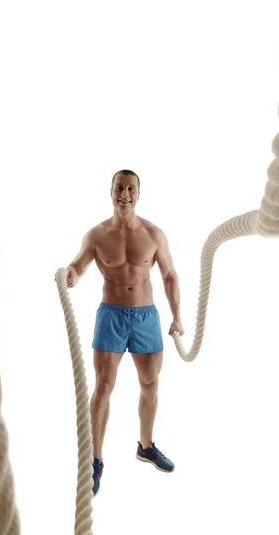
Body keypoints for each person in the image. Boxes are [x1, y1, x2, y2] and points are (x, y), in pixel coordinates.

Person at [65, 169, 185, 496]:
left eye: (131, 189)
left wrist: (177, 317)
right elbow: (79, 264)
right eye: (120, 188)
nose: (125, 194)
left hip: (146, 316)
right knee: (103, 387)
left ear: (138, 194)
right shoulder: (97, 234)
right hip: (111, 315)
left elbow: (170, 276)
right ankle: (95, 460)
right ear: (111, 191)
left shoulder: (154, 234)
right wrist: (72, 275)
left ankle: (145, 447)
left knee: (150, 383)